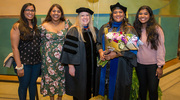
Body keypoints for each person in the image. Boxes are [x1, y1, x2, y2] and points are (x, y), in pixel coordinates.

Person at [97, 2, 138, 100]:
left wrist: (117, 54)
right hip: (105, 65)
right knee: (104, 89)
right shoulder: (105, 28)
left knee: (119, 93)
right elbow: (98, 43)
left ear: (124, 14)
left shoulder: (129, 29)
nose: (118, 14)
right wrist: (100, 52)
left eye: (120, 12)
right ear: (112, 14)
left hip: (121, 67)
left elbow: (134, 51)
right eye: (115, 12)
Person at [60, 7, 98, 100]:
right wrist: (71, 66)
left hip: (91, 66)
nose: (85, 17)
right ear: (78, 17)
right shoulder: (74, 30)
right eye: (82, 15)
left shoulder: (93, 30)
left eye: (87, 15)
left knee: (89, 89)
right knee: (79, 90)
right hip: (79, 67)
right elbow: (69, 50)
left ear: (90, 17)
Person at [39, 4, 72, 100]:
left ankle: (60, 98)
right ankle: (51, 98)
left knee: (61, 79)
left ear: (61, 13)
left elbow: (72, 38)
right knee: (50, 79)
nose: (56, 13)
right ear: (50, 13)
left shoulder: (67, 23)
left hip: (63, 58)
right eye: (54, 11)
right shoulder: (43, 26)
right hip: (49, 60)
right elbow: (39, 42)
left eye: (58, 11)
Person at [133, 5, 165, 100]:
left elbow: (161, 48)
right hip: (140, 65)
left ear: (150, 15)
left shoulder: (157, 29)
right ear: (138, 15)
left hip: (153, 65)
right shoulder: (135, 29)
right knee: (142, 89)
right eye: (140, 13)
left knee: (152, 90)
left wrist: (160, 66)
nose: (143, 16)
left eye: (145, 13)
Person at [10, 3, 41, 100]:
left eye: (32, 10)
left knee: (32, 85)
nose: (30, 12)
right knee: (23, 85)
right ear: (23, 12)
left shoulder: (35, 27)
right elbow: (14, 48)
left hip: (36, 62)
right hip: (23, 63)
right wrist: (19, 66)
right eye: (27, 10)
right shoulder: (17, 26)